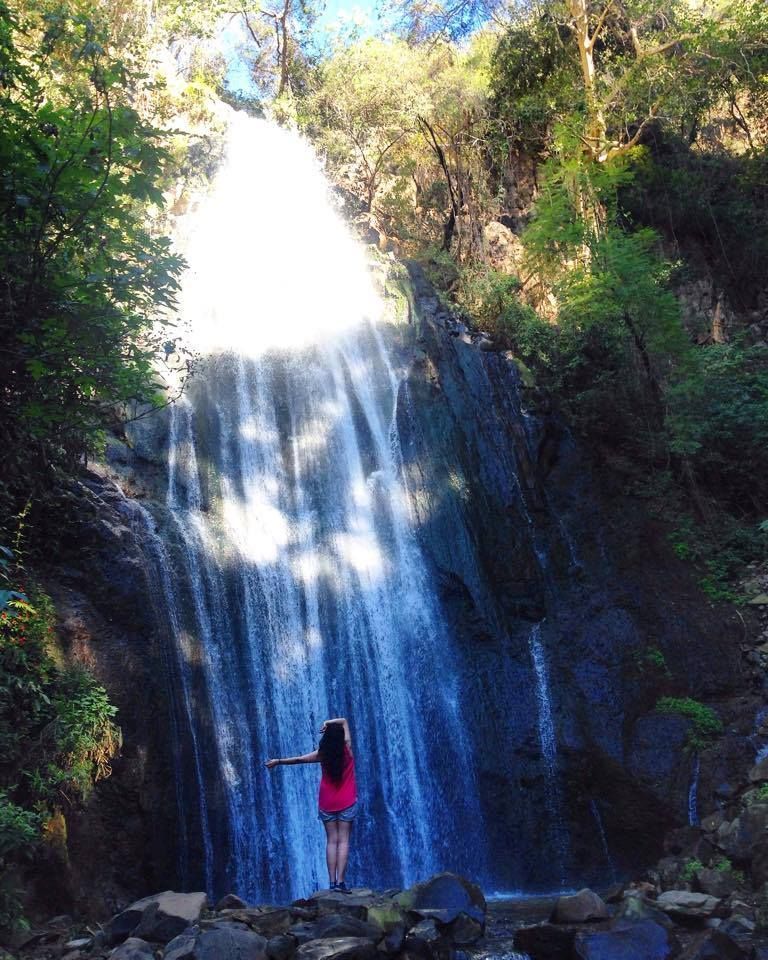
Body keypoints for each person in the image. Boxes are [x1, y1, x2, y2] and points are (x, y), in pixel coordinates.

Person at [265, 717, 358, 891]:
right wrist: (329, 723)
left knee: (331, 841)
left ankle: (331, 883)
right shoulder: (347, 749)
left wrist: (277, 761)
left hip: (327, 801)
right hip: (347, 800)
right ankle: (341, 883)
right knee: (343, 841)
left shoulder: (322, 754)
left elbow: (298, 759)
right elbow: (345, 720)